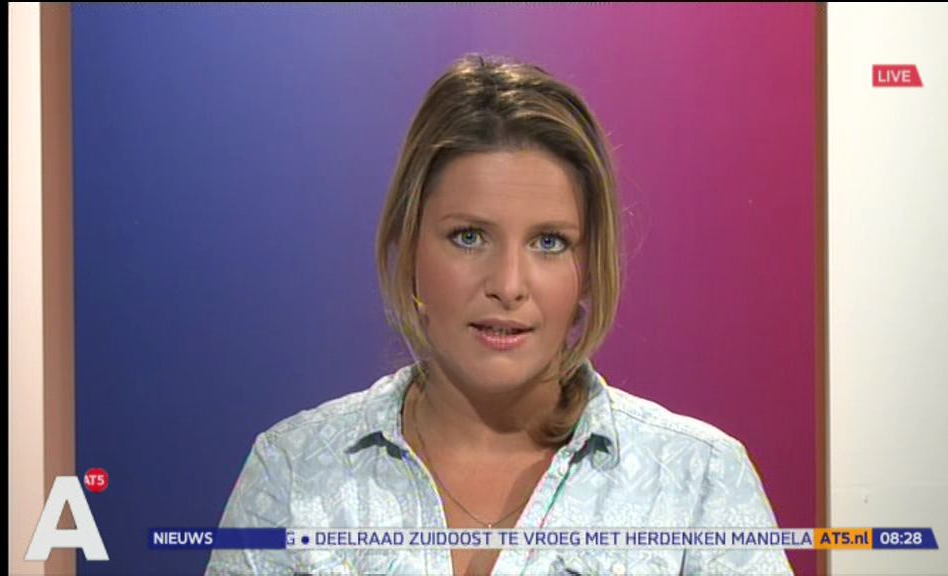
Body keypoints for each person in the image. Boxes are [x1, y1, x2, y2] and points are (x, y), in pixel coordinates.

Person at [206, 54, 794, 576]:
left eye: (549, 243)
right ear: (409, 250)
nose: (509, 286)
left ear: (589, 269)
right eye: (468, 236)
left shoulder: (698, 481)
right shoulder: (293, 472)